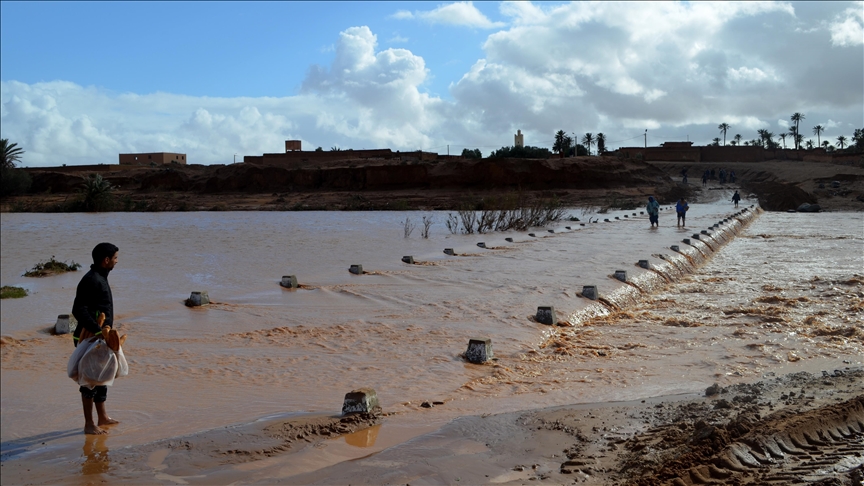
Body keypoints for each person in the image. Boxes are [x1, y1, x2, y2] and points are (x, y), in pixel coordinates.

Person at [72, 242, 120, 435]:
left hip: (102, 336)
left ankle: (102, 417)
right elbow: (78, 309)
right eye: (115, 258)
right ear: (106, 260)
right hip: (88, 337)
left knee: (103, 376)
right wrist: (96, 330)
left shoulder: (101, 277)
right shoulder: (91, 280)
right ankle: (89, 424)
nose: (117, 262)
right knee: (89, 380)